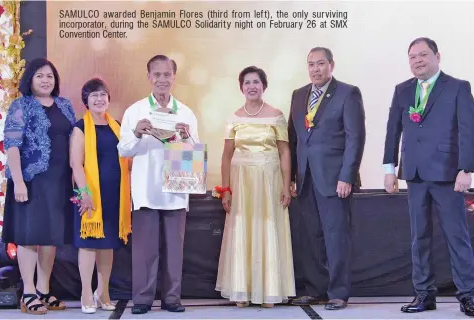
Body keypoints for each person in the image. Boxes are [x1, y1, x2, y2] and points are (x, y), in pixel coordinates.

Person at [383, 37, 474, 317]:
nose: (417, 60)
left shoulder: (458, 87)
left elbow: (469, 129)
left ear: (437, 56)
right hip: (415, 174)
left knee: (456, 236)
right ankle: (424, 294)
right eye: (412, 57)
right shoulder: (402, 90)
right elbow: (392, 131)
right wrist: (390, 169)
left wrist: (467, 169)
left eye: (423, 55)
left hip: (448, 173)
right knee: (418, 236)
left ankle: (469, 295)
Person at [117, 54, 199, 315]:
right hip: (145, 189)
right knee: (144, 249)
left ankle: (172, 298)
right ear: (149, 77)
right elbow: (124, 150)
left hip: (176, 187)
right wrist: (137, 133)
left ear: (174, 77)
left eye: (167, 74)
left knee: (175, 248)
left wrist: (188, 139)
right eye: (157, 74)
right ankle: (142, 299)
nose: (162, 79)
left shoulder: (185, 112)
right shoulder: (136, 110)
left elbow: (194, 153)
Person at [288, 47, 366, 310]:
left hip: (335, 180)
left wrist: (347, 176)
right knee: (311, 236)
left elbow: (355, 138)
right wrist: (292, 176)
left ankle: (338, 292)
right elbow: (294, 138)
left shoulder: (347, 93)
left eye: (321, 63)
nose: (315, 69)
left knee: (336, 236)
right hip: (306, 178)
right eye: (311, 64)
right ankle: (316, 289)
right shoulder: (299, 95)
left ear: (331, 65)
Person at [215, 66, 296, 308]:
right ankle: (241, 290)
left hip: (269, 180)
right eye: (247, 82)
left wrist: (285, 184)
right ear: (241, 88)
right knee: (242, 229)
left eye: (256, 82)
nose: (252, 86)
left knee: (267, 227)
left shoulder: (276, 115)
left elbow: (284, 151)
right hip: (242, 182)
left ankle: (269, 290)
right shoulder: (234, 117)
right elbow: (226, 155)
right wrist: (226, 189)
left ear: (264, 86)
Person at [2, 58, 75, 315]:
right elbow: (11, 145)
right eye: (40, 76)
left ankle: (44, 290)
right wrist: (19, 181)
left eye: (50, 76)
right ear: (30, 80)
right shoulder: (21, 105)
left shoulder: (65, 106)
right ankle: (29, 292)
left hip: (59, 181)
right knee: (29, 236)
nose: (46, 80)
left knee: (50, 238)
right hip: (31, 181)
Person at [69, 78, 131, 314]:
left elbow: (127, 156)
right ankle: (86, 292)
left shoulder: (116, 125)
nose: (99, 99)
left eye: (103, 94)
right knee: (88, 245)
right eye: (93, 95)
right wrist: (84, 193)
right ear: (86, 100)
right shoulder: (80, 127)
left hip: (114, 194)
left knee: (108, 245)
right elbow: (76, 164)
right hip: (90, 194)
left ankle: (103, 292)